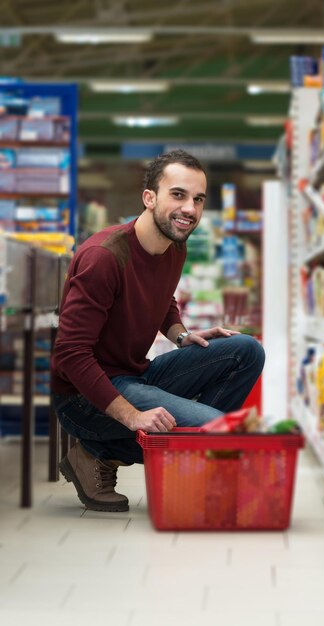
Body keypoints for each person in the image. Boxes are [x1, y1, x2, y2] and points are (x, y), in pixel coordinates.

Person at [51, 149, 265, 512]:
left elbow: (162, 297)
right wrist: (135, 417)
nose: (190, 209)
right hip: (82, 398)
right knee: (213, 426)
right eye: (178, 195)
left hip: (136, 374)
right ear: (149, 198)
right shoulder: (104, 258)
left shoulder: (174, 247)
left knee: (245, 350)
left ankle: (179, 449)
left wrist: (181, 335)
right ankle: (95, 451)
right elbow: (70, 354)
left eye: (198, 199)